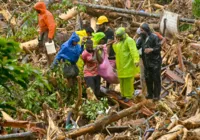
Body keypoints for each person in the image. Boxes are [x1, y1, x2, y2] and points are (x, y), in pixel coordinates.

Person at [113, 27, 140, 102]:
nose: (118, 38)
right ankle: (123, 95)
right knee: (122, 81)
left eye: (119, 37)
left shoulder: (129, 40)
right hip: (121, 65)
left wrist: (136, 60)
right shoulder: (119, 42)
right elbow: (116, 51)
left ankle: (129, 95)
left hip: (128, 64)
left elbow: (133, 50)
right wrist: (115, 44)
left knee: (128, 81)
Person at [138, 23, 162, 101]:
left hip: (155, 62)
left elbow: (158, 48)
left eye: (142, 30)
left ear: (146, 30)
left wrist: (151, 49)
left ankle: (157, 95)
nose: (141, 32)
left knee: (156, 79)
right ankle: (150, 94)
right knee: (148, 78)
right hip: (146, 62)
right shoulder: (142, 38)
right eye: (140, 30)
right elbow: (136, 46)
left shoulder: (154, 37)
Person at [96, 15, 115, 88]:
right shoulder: (99, 31)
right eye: (99, 25)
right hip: (101, 51)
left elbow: (109, 44)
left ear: (104, 24)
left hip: (109, 53)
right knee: (99, 69)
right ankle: (98, 85)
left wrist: (106, 56)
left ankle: (108, 86)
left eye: (100, 25)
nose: (99, 26)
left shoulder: (110, 32)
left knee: (108, 71)